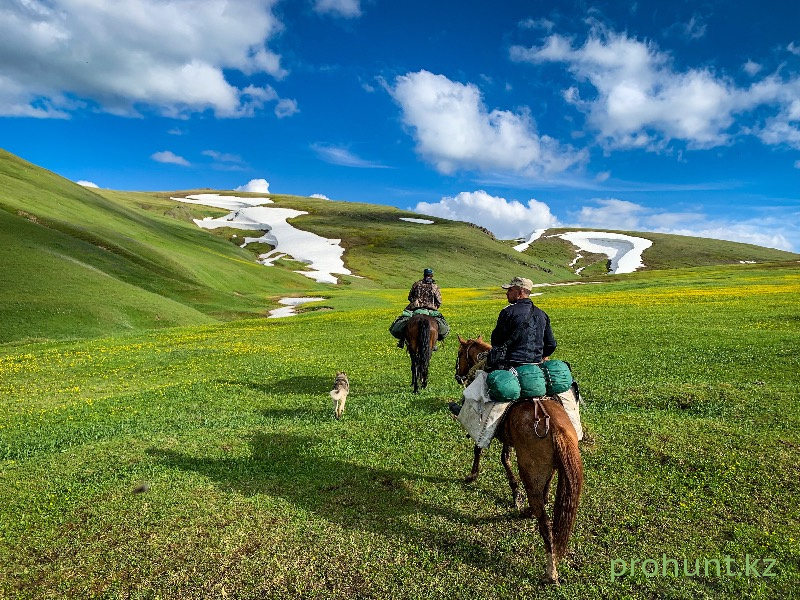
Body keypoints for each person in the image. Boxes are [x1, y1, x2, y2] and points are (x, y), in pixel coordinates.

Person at [449, 276, 556, 415]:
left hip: (510, 365)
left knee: (478, 377)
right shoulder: (542, 314)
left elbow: (496, 341)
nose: (507, 293)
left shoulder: (508, 312)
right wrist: (536, 357)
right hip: (535, 365)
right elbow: (551, 345)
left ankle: (467, 411)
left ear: (520, 292)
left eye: (510, 290)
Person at [390, 268, 450, 349]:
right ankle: (434, 342)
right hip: (431, 310)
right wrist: (434, 306)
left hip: (415, 309)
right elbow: (439, 301)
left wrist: (416, 302)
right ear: (431, 275)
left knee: (402, 322)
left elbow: (410, 297)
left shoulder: (417, 284)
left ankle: (402, 340)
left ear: (424, 275)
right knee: (442, 325)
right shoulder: (435, 286)